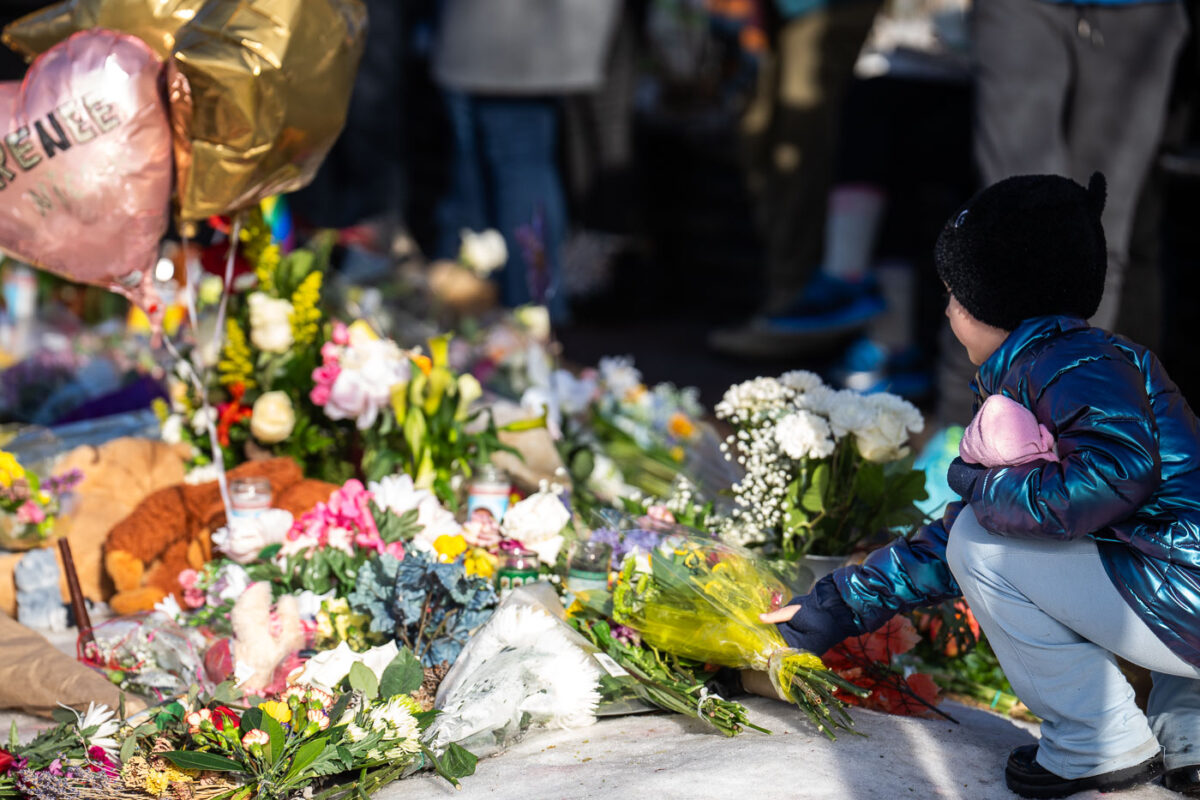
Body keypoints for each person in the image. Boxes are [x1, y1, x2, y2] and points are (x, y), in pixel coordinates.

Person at [761, 173, 1200, 798]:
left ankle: (1094, 743)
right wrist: (834, 607)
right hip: (1182, 584)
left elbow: (1116, 474)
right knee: (1005, 528)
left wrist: (981, 486)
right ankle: (1190, 739)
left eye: (954, 295)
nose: (945, 311)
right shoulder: (1094, 359)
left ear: (996, 300)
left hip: (1183, 597)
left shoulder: (1060, 367)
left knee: (977, 540)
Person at [432, 0, 620, 323]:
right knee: (516, 161)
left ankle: (530, 316)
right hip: (525, 35)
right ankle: (526, 316)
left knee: (519, 162)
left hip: (514, 34)